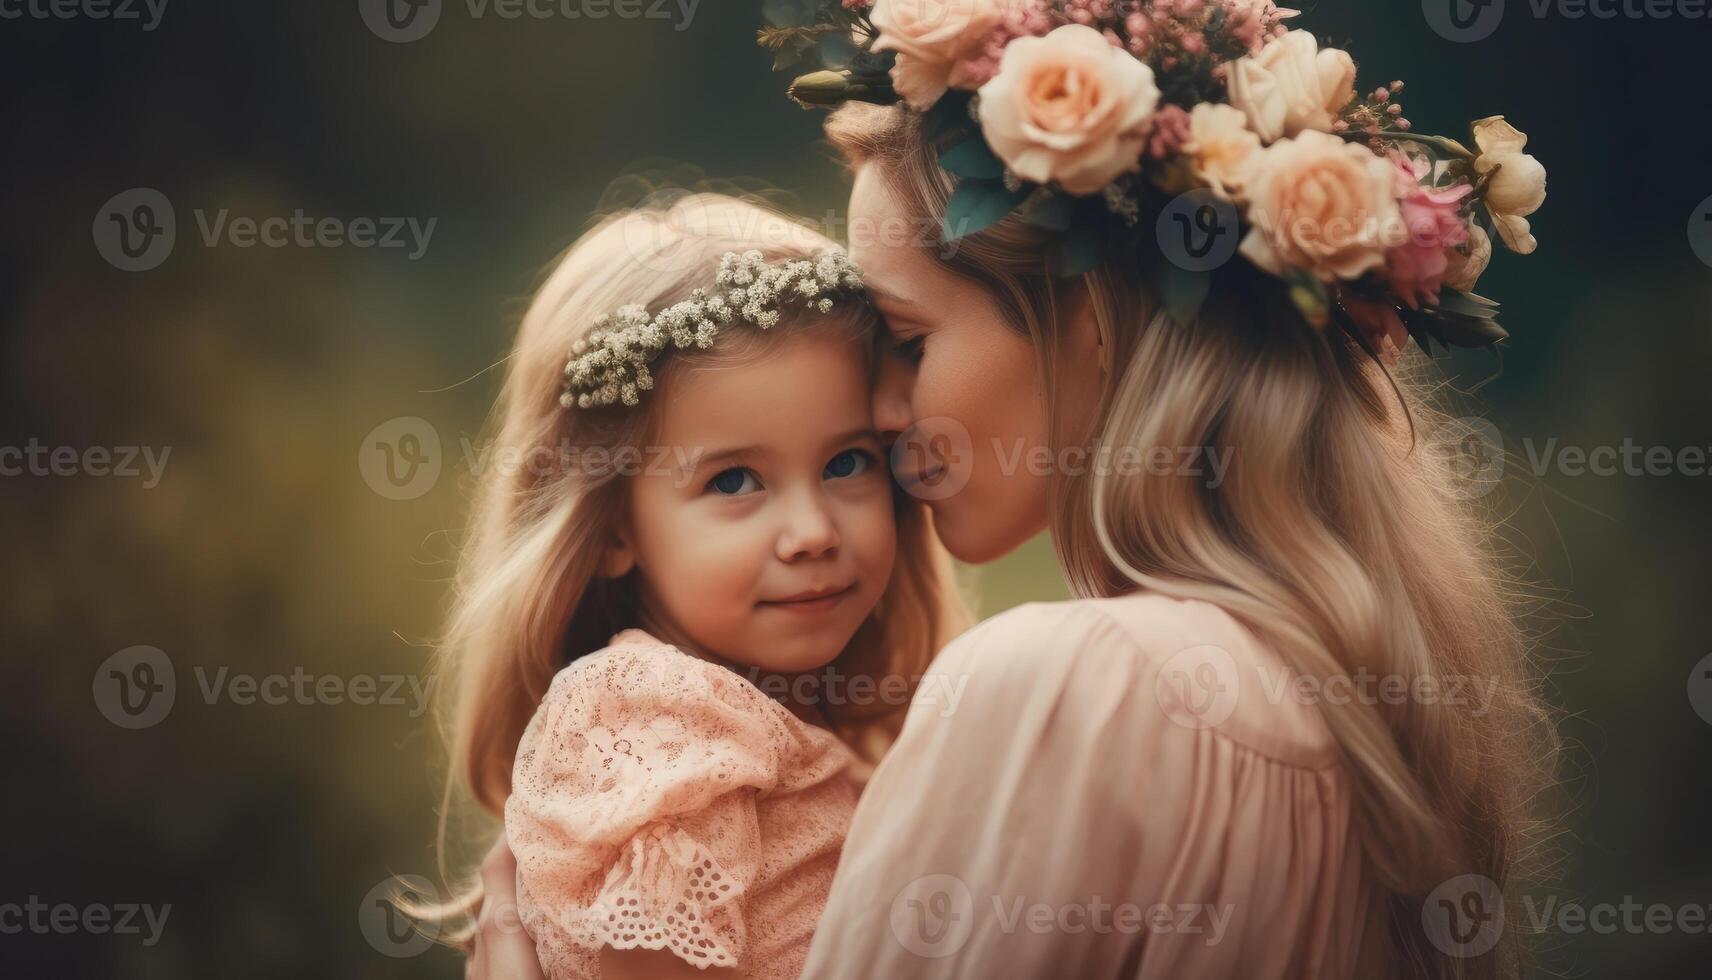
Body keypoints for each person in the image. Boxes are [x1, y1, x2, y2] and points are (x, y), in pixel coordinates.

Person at [468, 2, 1559, 976]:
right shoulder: (1348, 685)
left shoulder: (1064, 688)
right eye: (737, 478)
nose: (886, 415)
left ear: (1083, 322)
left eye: (904, 341)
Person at [409, 194, 971, 979]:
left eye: (847, 462)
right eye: (735, 479)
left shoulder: (770, 722)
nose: (811, 530)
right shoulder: (650, 712)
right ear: (611, 528)